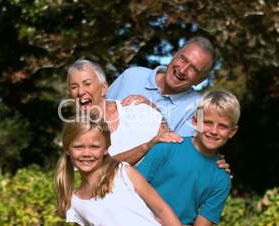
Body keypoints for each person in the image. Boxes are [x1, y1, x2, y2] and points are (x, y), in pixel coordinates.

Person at [54, 116, 182, 226]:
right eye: (78, 147)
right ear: (67, 150)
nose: (86, 153)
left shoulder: (123, 173)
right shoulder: (75, 202)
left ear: (106, 149)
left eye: (94, 146)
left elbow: (162, 210)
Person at [136, 90, 240, 225]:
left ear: (232, 132)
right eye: (207, 122)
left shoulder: (221, 179)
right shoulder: (167, 147)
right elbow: (133, 188)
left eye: (223, 126)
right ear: (195, 121)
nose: (214, 131)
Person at [66, 59, 183, 165]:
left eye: (87, 84)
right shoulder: (76, 134)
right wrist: (146, 146)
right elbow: (97, 169)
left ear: (103, 88)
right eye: (74, 87)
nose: (80, 91)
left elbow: (171, 143)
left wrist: (155, 109)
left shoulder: (139, 110)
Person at [107, 36, 216, 137]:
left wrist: (154, 113)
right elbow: (95, 115)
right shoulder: (132, 75)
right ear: (174, 55)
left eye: (193, 69)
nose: (182, 70)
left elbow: (181, 152)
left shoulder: (200, 109)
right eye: (183, 59)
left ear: (200, 80)